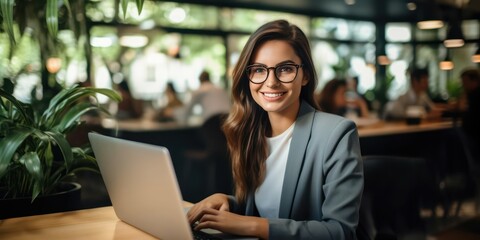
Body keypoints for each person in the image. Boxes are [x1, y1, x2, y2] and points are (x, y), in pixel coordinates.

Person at [187, 19, 363, 239]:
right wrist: (229, 203)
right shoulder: (249, 132)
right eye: (259, 70)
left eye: (286, 69)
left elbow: (340, 232)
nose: (271, 82)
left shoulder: (336, 133)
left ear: (305, 75)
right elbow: (268, 209)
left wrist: (252, 226)